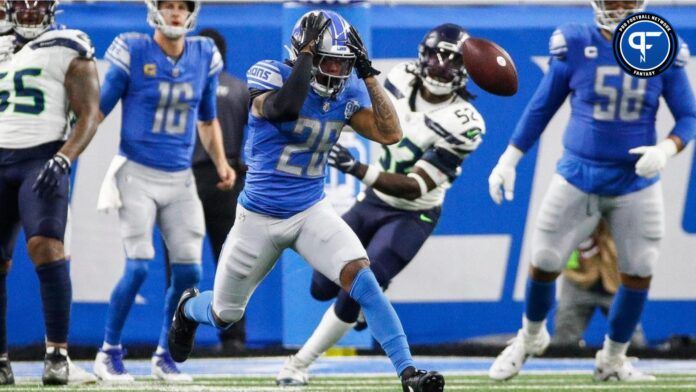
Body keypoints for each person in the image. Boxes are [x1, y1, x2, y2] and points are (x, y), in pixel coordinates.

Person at [168, 10, 446, 392]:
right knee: (224, 313)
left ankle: (408, 372)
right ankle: (187, 308)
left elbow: (390, 132)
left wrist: (367, 74)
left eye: (342, 61)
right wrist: (305, 57)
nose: (335, 69)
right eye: (327, 59)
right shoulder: (270, 74)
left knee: (362, 277)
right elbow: (284, 109)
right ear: (305, 53)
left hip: (310, 209)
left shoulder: (348, 89)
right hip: (259, 216)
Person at [487, 0, 696, 382]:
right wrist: (509, 158)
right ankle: (530, 337)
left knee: (641, 269)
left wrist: (666, 149)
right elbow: (542, 106)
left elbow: (688, 115)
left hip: (635, 181)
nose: (619, 7)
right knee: (545, 258)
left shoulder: (660, 45)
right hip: (578, 173)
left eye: (626, 0)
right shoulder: (575, 42)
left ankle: (613, 359)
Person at [276, 23, 484, 386]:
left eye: (451, 60)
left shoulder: (466, 121)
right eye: (435, 55)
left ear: (466, 68)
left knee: (356, 289)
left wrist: (355, 167)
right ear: (421, 55)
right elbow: (361, 117)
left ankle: (298, 365)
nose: (439, 65)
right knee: (321, 287)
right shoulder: (401, 76)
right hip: (371, 201)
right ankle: (357, 311)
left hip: (412, 212)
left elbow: (414, 186)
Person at [93, 0, 235, 383]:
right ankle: (108, 352)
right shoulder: (134, 49)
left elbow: (207, 119)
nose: (175, 12)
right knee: (139, 265)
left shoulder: (204, 53)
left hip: (180, 176)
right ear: (154, 9)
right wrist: (66, 148)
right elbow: (97, 110)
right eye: (168, 5)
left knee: (190, 271)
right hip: (136, 172)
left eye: (181, 6)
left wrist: (221, 163)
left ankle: (164, 355)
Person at [0, 0, 101, 385]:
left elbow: (90, 112)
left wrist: (65, 157)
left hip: (41, 158)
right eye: (21, 6)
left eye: (36, 5)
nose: (28, 13)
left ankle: (57, 356)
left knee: (46, 245)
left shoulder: (68, 43)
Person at [180, 27, 249, 352]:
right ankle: (233, 337)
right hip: (230, 178)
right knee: (230, 259)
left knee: (181, 259)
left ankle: (177, 334)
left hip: (187, 177)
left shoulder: (184, 86)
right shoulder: (239, 89)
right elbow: (259, 134)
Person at [553, 220, 647, 349]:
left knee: (635, 345)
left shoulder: (626, 205)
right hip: (578, 278)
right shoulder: (573, 204)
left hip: (616, 278)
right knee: (563, 343)